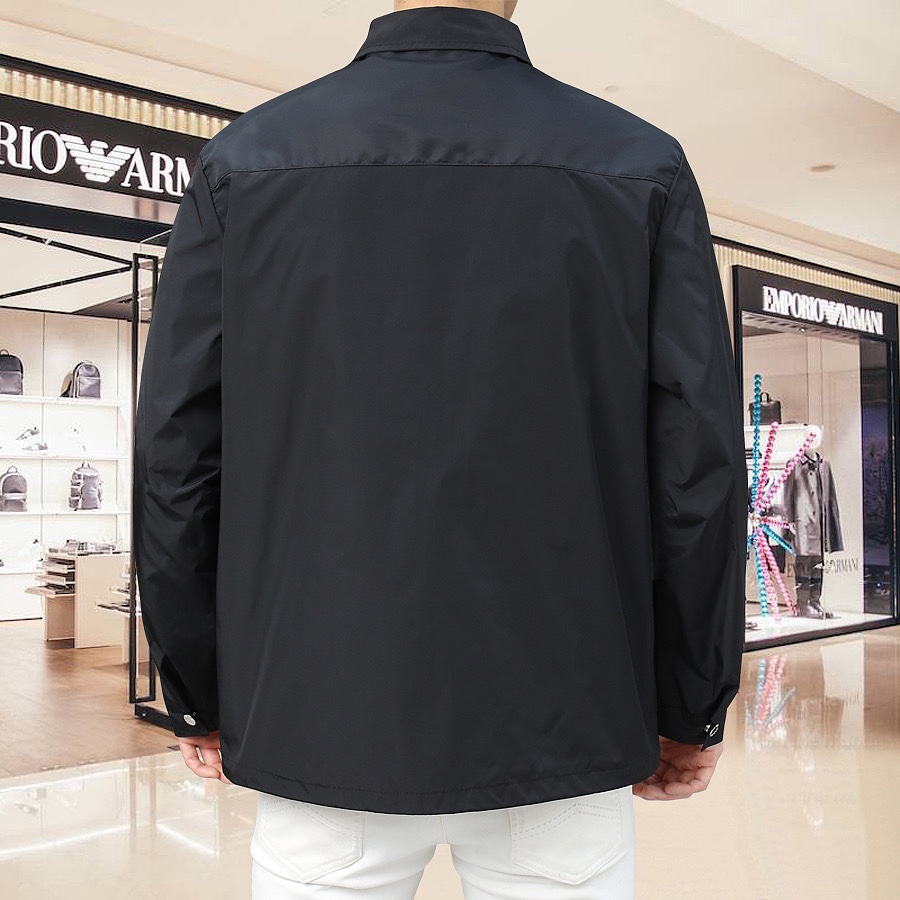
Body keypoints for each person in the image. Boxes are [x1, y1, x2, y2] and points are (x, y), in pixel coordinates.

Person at [132, 1, 748, 896]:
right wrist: (692, 702)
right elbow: (696, 465)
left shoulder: (246, 161)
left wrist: (196, 688)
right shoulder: (638, 163)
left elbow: (179, 453)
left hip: (322, 716)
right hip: (564, 719)